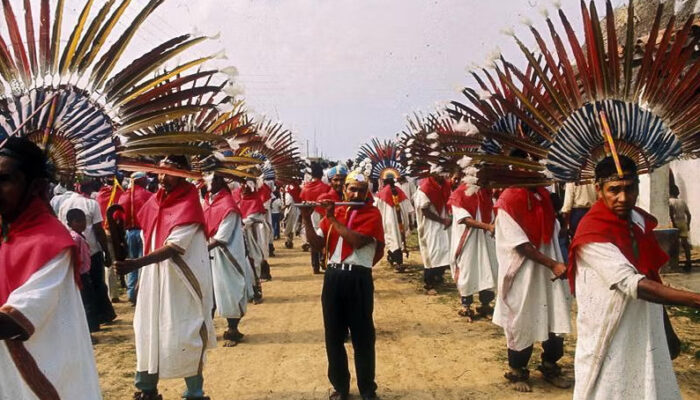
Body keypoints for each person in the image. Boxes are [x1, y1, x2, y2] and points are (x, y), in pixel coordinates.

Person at [569, 156, 700, 400]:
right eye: (614, 190)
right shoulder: (591, 232)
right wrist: (694, 299)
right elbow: (634, 284)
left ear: (638, 186)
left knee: (648, 382)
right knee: (612, 385)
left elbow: (650, 274)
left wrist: (666, 326)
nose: (623, 198)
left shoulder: (637, 219)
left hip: (644, 319)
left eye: (630, 189)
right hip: (610, 327)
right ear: (599, 189)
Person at [0, 137, 102, 399]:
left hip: (43, 374)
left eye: (5, 179)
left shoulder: (50, 243)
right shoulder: (6, 234)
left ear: (35, 187)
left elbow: (14, 323)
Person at [115, 155, 216, 400]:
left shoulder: (189, 202)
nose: (162, 177)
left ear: (184, 173)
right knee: (147, 329)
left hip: (181, 281)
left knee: (184, 333)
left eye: (168, 172)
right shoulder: (153, 202)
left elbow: (173, 247)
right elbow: (144, 235)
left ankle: (194, 392)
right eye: (158, 172)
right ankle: (146, 388)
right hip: (153, 276)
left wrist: (135, 264)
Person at [301, 169, 384, 400]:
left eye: (360, 190)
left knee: (362, 337)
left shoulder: (372, 214)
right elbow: (318, 245)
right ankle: (340, 386)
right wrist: (307, 217)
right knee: (333, 336)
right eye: (351, 189)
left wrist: (331, 218)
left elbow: (356, 241)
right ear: (344, 189)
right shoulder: (336, 212)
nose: (355, 194)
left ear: (367, 192)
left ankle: (367, 388)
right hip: (333, 277)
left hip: (358, 278)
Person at [492, 179, 571, 392]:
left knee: (554, 317)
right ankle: (517, 370)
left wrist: (563, 223)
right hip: (523, 272)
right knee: (523, 318)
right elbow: (521, 245)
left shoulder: (544, 196)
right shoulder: (507, 200)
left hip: (548, 269)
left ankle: (550, 365)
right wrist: (553, 263)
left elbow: (554, 230)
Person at [203, 173, 255, 347]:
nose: (211, 182)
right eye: (209, 178)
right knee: (207, 292)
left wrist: (201, 249)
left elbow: (222, 236)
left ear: (223, 182)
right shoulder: (207, 201)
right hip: (208, 252)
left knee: (229, 291)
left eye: (215, 179)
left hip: (225, 255)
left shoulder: (228, 205)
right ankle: (207, 329)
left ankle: (233, 330)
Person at [58, 179, 117, 325]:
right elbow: (98, 229)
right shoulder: (92, 203)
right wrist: (107, 252)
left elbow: (61, 226)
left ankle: (89, 318)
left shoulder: (64, 204)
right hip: (91, 249)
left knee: (82, 287)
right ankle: (102, 315)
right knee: (97, 283)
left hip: (73, 250)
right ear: (90, 188)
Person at [448, 182, 497, 321]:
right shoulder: (459, 194)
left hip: (486, 240)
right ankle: (466, 306)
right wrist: (487, 226)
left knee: (489, 270)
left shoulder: (485, 192)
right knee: (467, 271)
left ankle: (485, 305)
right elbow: (464, 219)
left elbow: (492, 213)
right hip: (467, 241)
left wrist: (491, 226)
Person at [117, 171, 153, 305]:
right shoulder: (148, 195)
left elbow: (117, 218)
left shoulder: (123, 196)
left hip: (128, 233)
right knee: (143, 262)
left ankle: (132, 293)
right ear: (141, 181)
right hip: (143, 232)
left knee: (131, 262)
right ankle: (142, 293)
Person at [414, 173, 452, 294]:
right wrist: (442, 220)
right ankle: (428, 283)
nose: (443, 176)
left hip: (443, 223)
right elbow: (424, 211)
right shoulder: (424, 189)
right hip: (430, 225)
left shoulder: (445, 185)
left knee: (444, 250)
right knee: (432, 252)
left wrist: (448, 218)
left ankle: (438, 277)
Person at [66, 208, 101, 334]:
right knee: (87, 301)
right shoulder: (75, 238)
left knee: (89, 299)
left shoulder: (80, 236)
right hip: (80, 274)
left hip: (84, 272)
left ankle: (92, 325)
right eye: (78, 221)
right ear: (70, 223)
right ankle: (90, 328)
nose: (82, 224)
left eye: (84, 221)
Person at [374, 173, 412, 272]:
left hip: (389, 222)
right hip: (401, 222)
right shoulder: (400, 191)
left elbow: (375, 207)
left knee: (393, 239)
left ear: (384, 181)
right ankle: (395, 259)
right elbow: (408, 208)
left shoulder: (382, 193)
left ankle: (397, 262)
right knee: (396, 240)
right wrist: (409, 221)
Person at [96, 176, 125, 302]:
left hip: (104, 231)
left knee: (110, 263)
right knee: (123, 258)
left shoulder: (100, 195)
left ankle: (113, 294)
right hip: (116, 232)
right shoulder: (120, 193)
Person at [239, 178, 273, 283]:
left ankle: (260, 278)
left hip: (257, 231)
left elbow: (252, 217)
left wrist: (241, 223)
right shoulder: (242, 200)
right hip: (247, 231)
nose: (244, 189)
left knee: (259, 254)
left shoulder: (256, 200)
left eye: (246, 187)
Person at [300, 163, 331, 273]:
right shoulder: (326, 187)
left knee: (312, 238)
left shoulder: (305, 188)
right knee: (324, 237)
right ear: (322, 174)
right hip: (322, 214)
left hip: (310, 215)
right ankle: (323, 260)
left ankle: (315, 266)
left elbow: (302, 200)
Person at [669, 185, 692, 272]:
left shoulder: (670, 202)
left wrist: (673, 224)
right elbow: (689, 215)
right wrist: (688, 224)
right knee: (685, 244)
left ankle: (675, 263)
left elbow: (671, 215)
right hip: (683, 223)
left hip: (675, 223)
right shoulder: (682, 202)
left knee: (675, 245)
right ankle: (688, 262)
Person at [283, 180, 302, 248]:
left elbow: (288, 202)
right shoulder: (292, 187)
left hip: (293, 209)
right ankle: (289, 241)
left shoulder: (290, 188)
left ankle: (289, 240)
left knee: (291, 226)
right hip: (294, 209)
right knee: (290, 225)